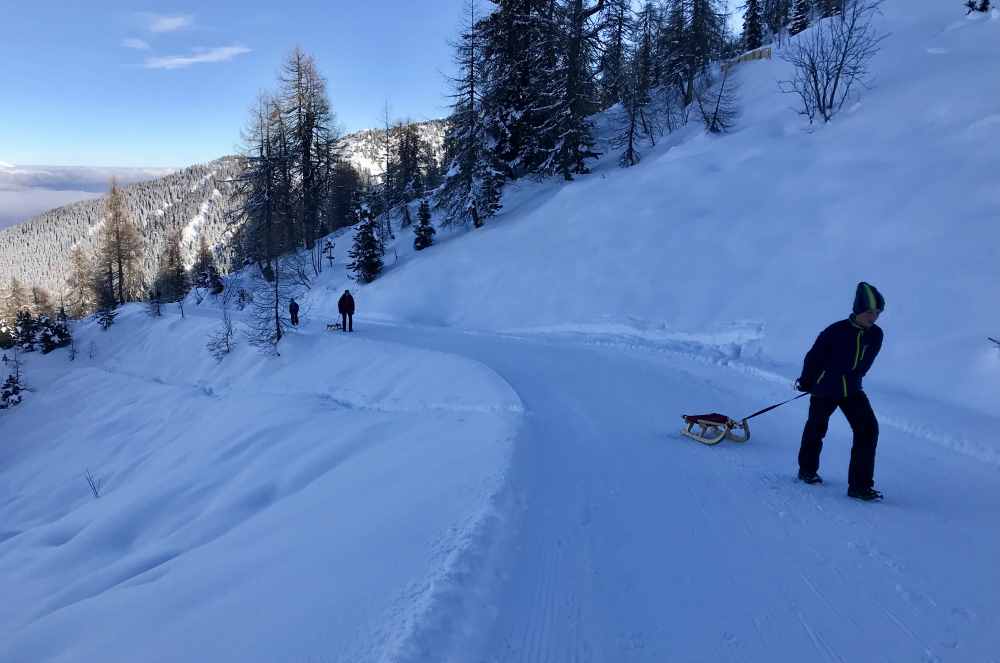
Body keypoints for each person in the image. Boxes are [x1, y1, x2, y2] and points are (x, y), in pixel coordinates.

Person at [795, 282, 885, 501]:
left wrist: (854, 377)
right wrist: (807, 382)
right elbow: (813, 357)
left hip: (852, 390)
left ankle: (859, 485)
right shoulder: (835, 331)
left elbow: (864, 364)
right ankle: (806, 470)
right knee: (816, 429)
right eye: (869, 312)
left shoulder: (876, 335)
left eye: (877, 313)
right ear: (858, 310)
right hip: (825, 388)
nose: (873, 317)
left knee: (868, 430)